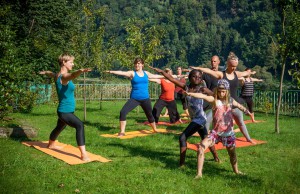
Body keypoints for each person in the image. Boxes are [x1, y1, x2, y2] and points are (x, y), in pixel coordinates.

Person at [149, 66, 220, 166]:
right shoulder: (186, 87)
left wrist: (221, 104)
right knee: (205, 137)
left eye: (199, 77)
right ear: (190, 77)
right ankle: (216, 158)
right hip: (195, 119)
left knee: (182, 138)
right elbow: (172, 79)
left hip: (200, 119)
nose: (197, 79)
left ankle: (181, 164)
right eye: (194, 76)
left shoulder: (202, 89)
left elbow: (215, 95)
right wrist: (161, 71)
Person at [188, 79, 252, 179]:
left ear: (227, 91)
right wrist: (191, 94)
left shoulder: (230, 100)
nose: (221, 93)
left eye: (223, 91)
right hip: (215, 133)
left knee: (232, 155)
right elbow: (204, 96)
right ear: (217, 90)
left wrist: (246, 111)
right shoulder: (214, 100)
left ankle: (236, 171)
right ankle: (199, 174)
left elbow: (239, 106)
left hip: (228, 134)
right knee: (201, 148)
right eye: (219, 91)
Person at [191, 52, 257, 144]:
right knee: (207, 120)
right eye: (232, 66)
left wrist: (251, 72)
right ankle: (205, 139)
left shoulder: (236, 74)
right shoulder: (221, 74)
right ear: (228, 64)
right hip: (222, 104)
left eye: (235, 66)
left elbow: (245, 72)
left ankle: (248, 139)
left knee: (241, 123)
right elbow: (209, 71)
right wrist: (198, 68)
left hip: (234, 103)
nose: (234, 68)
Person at [39, 53, 91, 161]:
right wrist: (80, 71)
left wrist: (45, 72)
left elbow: (51, 73)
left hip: (65, 111)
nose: (73, 64)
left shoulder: (57, 75)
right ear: (64, 62)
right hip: (64, 111)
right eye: (71, 62)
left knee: (60, 127)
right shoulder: (63, 77)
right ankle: (83, 154)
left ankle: (51, 144)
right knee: (80, 125)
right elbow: (72, 75)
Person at [106, 57, 165, 137]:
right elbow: (122, 72)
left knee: (150, 115)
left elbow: (156, 76)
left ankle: (155, 129)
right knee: (123, 112)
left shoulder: (146, 73)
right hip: (135, 99)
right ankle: (122, 132)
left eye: (139, 63)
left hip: (145, 99)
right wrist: (111, 71)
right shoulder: (132, 73)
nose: (137, 65)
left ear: (142, 65)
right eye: (136, 63)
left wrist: (167, 76)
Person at [202, 55, 221, 131]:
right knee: (197, 111)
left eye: (215, 61)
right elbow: (197, 80)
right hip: (208, 98)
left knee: (212, 119)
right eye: (212, 61)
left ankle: (209, 135)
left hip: (217, 100)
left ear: (218, 62)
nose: (213, 63)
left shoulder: (221, 74)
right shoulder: (206, 74)